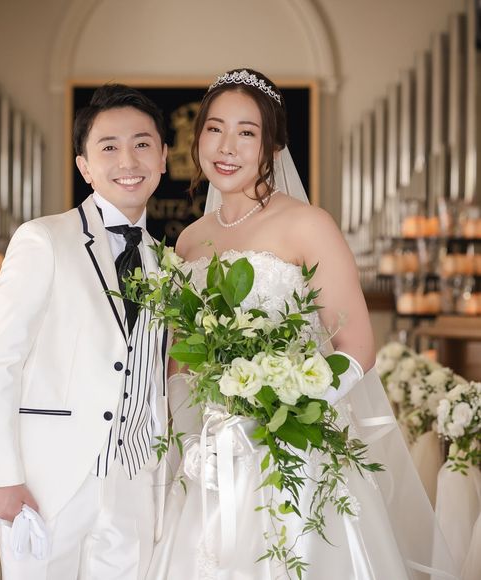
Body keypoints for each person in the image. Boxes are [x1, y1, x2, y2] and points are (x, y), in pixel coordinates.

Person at [147, 69, 458, 579]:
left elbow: (357, 347)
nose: (227, 147)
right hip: (212, 454)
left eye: (247, 132)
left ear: (272, 145)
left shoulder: (308, 224)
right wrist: (190, 438)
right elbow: (181, 358)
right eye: (215, 128)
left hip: (293, 450)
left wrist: (284, 405)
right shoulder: (189, 240)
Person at [0, 84, 169, 580]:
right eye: (109, 147)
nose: (128, 160)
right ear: (84, 166)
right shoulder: (43, 239)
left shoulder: (167, 263)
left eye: (143, 144)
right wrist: (1, 477)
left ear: (164, 157)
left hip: (133, 484)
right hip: (46, 482)